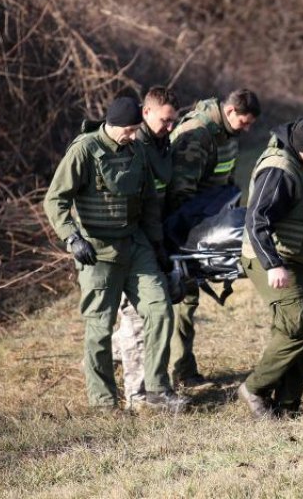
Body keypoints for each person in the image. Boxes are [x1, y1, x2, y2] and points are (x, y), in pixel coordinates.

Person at [43, 96, 188, 413]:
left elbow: (149, 201)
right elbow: (55, 200)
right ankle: (104, 402)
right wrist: (72, 237)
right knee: (99, 328)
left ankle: (158, 389)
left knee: (160, 311)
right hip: (96, 252)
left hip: (135, 246)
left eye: (138, 129)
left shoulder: (136, 149)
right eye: (130, 130)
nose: (135, 136)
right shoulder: (85, 150)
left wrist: (158, 246)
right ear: (113, 125)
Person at [238, 114, 303, 418]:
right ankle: (254, 389)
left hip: (299, 257)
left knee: (301, 327)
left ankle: (288, 404)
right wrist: (273, 265)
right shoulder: (278, 171)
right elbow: (256, 220)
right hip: (273, 259)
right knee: (298, 325)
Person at [166, 89, 261, 388]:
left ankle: (180, 368)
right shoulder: (198, 135)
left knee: (187, 300)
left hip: (206, 224)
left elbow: (225, 180)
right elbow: (180, 194)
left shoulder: (225, 134)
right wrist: (188, 242)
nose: (247, 129)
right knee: (183, 298)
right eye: (244, 122)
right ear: (230, 111)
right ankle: (181, 372)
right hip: (184, 230)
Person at [110, 86, 180, 410]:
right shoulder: (134, 145)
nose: (170, 127)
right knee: (136, 318)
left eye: (173, 122)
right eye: (165, 121)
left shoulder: (162, 143)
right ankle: (138, 395)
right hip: (130, 242)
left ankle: (115, 363)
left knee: (140, 316)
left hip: (153, 238)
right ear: (146, 113)